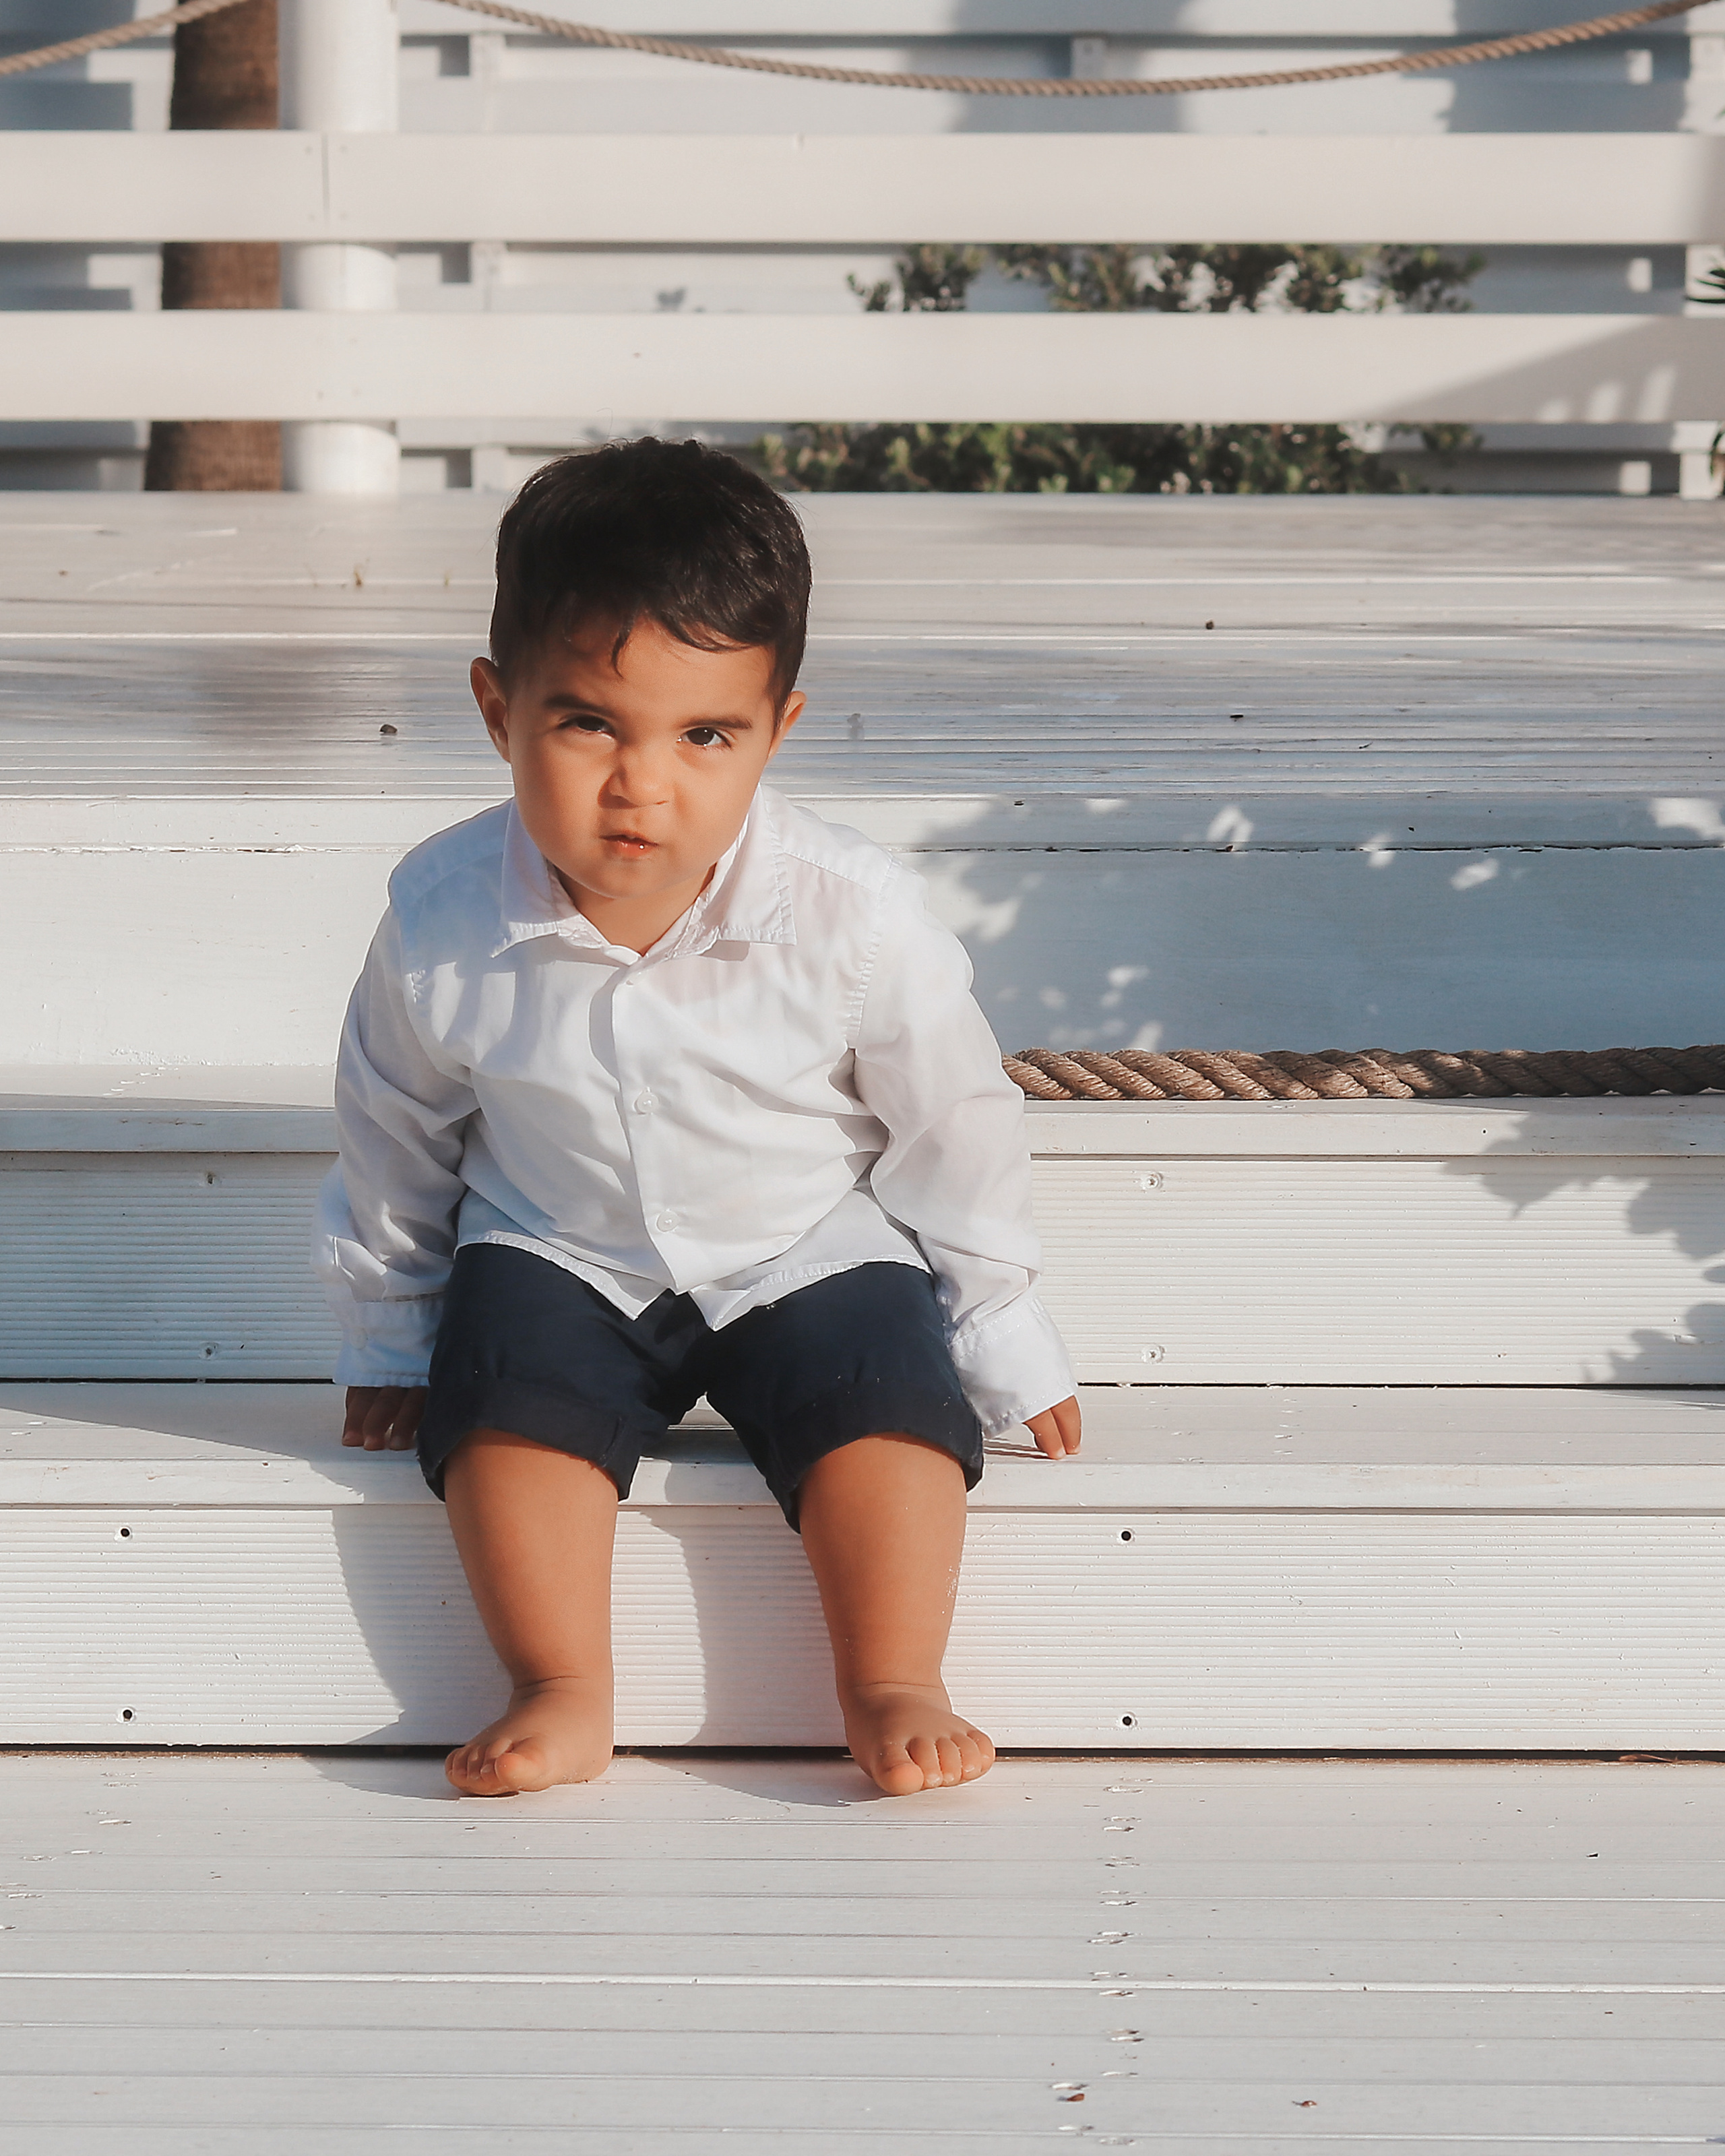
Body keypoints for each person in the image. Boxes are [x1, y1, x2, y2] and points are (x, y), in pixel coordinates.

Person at [314, 438, 1081, 1800]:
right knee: (502, 1423)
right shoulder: (441, 920)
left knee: (886, 1417)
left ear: (777, 729)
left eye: (704, 735)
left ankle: (892, 1675)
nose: (641, 783)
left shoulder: (850, 915)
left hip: (800, 1240)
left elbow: (951, 1124)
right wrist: (392, 1328)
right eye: (588, 724)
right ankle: (559, 1682)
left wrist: (995, 1324)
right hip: (560, 1240)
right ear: (498, 709)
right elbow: (394, 1128)